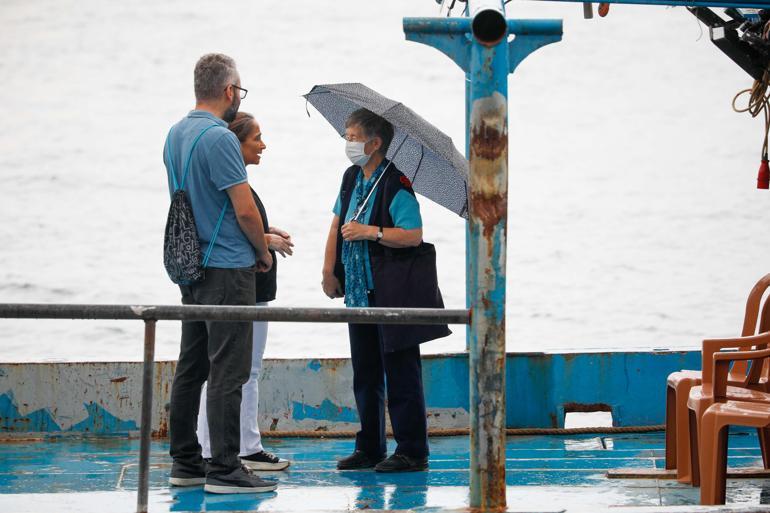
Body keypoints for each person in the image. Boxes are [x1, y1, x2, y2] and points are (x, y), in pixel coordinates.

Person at [163, 53, 276, 494]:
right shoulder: (220, 139)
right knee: (229, 370)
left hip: (191, 267)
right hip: (228, 268)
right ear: (229, 91)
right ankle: (226, 468)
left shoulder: (175, 134)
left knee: (192, 364)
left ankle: (185, 461)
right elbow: (244, 209)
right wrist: (262, 250)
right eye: (239, 91)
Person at [322, 108, 430, 473]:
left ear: (375, 142)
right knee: (365, 373)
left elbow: (412, 234)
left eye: (352, 136)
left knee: (401, 373)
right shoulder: (351, 177)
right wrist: (327, 270)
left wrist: (371, 232)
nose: (348, 143)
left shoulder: (396, 182)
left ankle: (412, 450)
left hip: (390, 293)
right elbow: (337, 221)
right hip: (357, 291)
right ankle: (369, 446)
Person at [197, 112, 293, 471]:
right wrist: (263, 242)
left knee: (225, 371)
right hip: (244, 286)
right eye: (256, 138)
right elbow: (239, 225)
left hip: (246, 285)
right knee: (242, 371)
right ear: (235, 144)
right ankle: (245, 448)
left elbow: (234, 223)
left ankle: (217, 446)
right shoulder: (236, 184)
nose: (263, 145)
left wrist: (267, 232)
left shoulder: (238, 185)